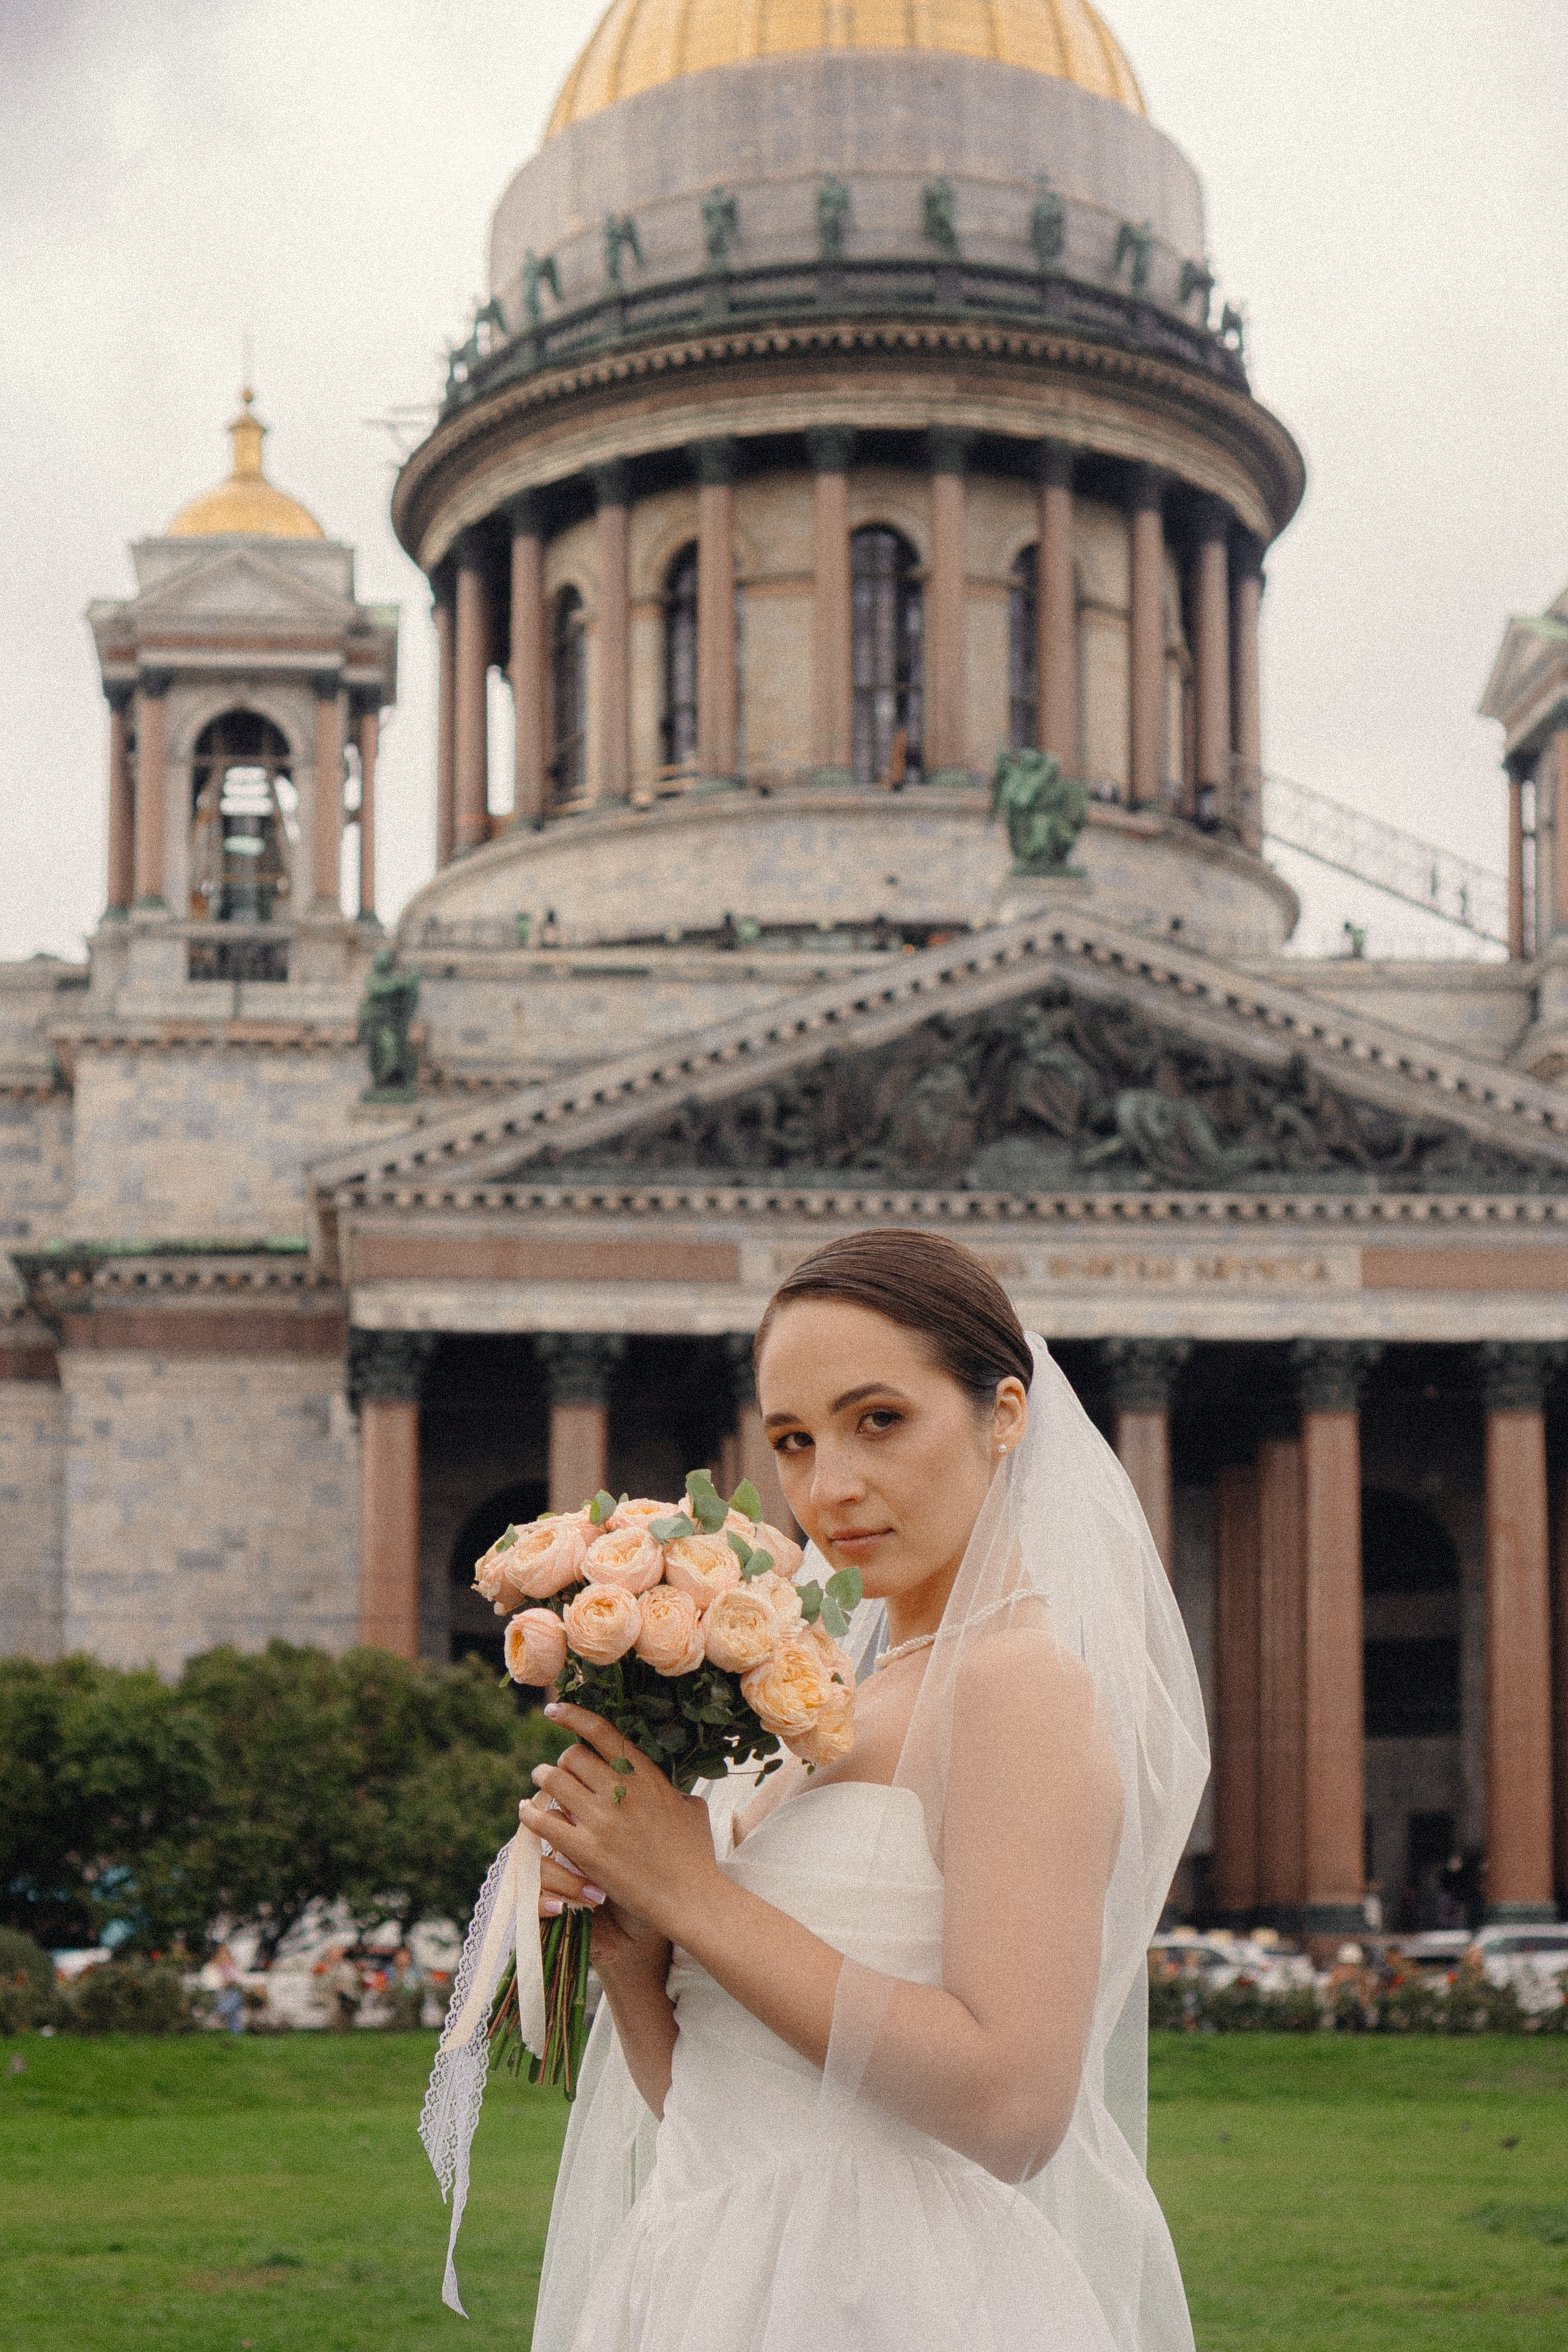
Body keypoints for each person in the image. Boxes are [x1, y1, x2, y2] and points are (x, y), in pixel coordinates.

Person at [445, 1231, 1208, 2349]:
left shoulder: (1018, 1684)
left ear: (1005, 1415)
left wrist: (700, 1896)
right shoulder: (831, 1695)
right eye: (795, 1441)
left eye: (879, 1421)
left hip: (892, 2297)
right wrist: (636, 1951)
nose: (830, 1487)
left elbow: (1015, 2109)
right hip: (710, 2269)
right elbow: (723, 2110)